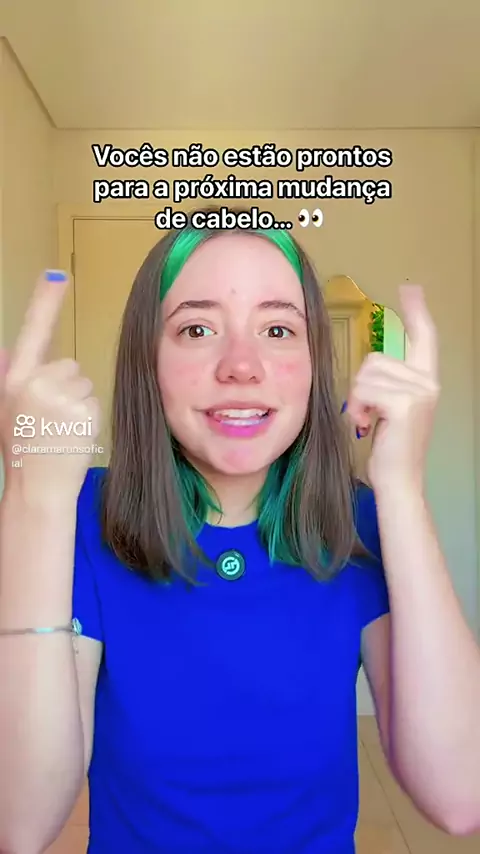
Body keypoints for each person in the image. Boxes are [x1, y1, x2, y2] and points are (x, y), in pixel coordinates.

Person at [0, 209, 480, 854]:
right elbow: (19, 823)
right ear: (147, 361)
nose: (241, 366)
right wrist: (32, 499)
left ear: (314, 363)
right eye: (197, 329)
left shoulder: (361, 520)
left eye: (278, 329)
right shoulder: (81, 513)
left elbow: (461, 797)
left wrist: (402, 488)